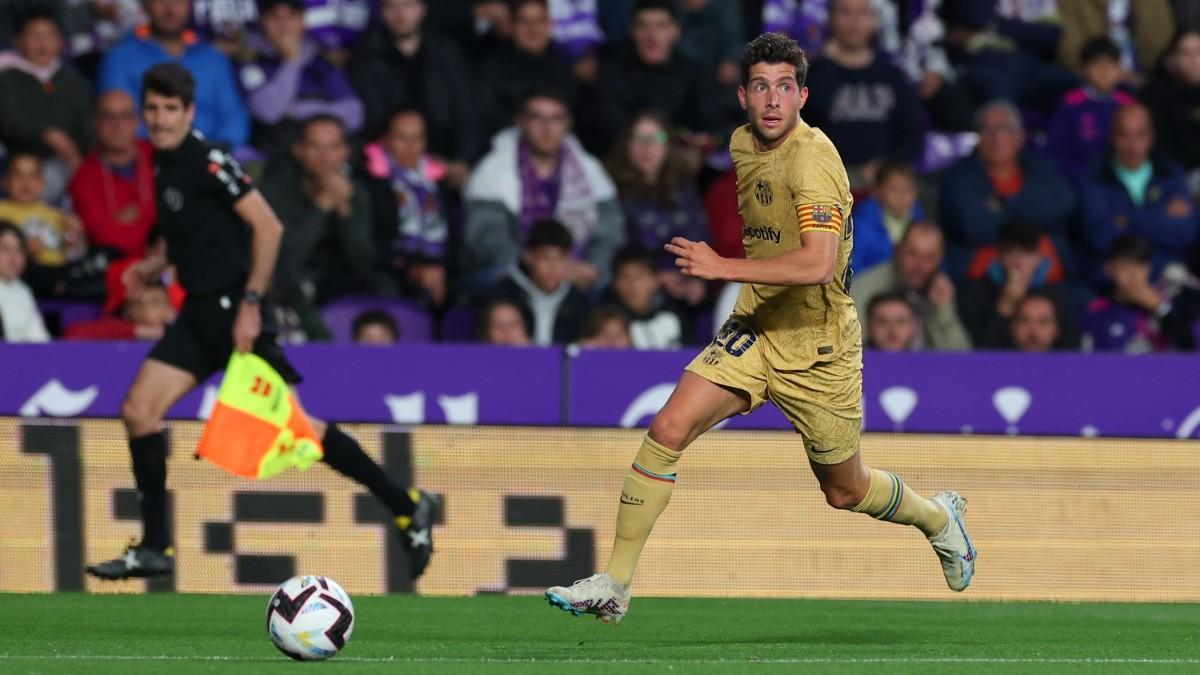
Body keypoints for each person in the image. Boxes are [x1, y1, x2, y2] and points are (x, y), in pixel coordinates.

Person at [545, 33, 976, 624]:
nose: (772, 100)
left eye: (783, 88)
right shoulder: (742, 143)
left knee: (844, 491)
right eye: (760, 87)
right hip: (756, 325)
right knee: (669, 427)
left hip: (818, 345)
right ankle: (615, 583)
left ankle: (937, 517)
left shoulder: (813, 161)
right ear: (744, 95)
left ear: (802, 95)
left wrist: (722, 266)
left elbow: (819, 262)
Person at [84, 64, 436, 582]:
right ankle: (157, 545)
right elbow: (195, 236)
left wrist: (250, 304)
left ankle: (406, 505)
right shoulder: (161, 162)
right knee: (139, 411)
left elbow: (267, 227)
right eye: (152, 109)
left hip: (234, 314)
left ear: (189, 112)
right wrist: (154, 266)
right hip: (199, 314)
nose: (158, 120)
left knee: (300, 430)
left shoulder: (209, 162)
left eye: (169, 110)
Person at [99, 0, 250, 149]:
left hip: (212, 154)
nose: (170, 9)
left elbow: (234, 117)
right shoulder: (120, 58)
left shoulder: (212, 58)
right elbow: (117, 123)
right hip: (148, 158)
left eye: (179, 1)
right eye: (161, 1)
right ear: (145, 5)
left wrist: (216, 149)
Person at [851, 220, 972, 351]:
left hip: (927, 370)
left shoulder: (940, 289)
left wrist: (943, 312)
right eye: (912, 254)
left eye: (929, 257)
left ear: (940, 260)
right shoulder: (863, 289)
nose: (919, 265)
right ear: (897, 251)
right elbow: (845, 352)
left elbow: (962, 357)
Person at [68, 91, 158, 262]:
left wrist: (132, 217)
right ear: (96, 123)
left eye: (125, 116)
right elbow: (103, 236)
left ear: (138, 121)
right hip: (117, 269)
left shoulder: (158, 157)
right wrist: (151, 222)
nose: (117, 125)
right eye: (109, 117)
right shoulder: (83, 176)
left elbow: (176, 217)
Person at [486, 219, 590, 346]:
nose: (553, 267)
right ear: (529, 257)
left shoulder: (579, 301)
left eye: (560, 259)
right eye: (545, 258)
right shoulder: (505, 294)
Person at [1046, 37, 1137, 178]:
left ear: (1120, 71)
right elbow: (1056, 150)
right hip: (1080, 176)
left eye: (1111, 65)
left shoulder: (1128, 104)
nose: (1104, 72)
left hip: (1122, 175)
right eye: (1097, 65)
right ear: (1082, 70)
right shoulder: (1070, 103)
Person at [0, 221, 50, 342]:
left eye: (19, 250)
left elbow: (40, 339)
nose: (13, 257)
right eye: (5, 249)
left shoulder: (23, 291)